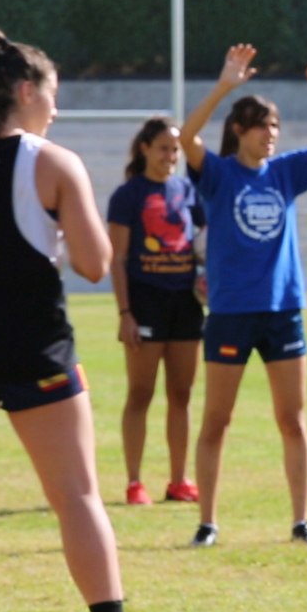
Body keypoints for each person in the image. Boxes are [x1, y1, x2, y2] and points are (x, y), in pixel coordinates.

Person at [0, 28, 126, 612]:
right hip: (36, 352)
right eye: (52, 94)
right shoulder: (55, 163)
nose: (56, 108)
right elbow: (95, 265)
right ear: (24, 90)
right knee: (77, 498)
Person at [180, 44, 307, 548]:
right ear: (240, 130)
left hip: (282, 312)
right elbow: (186, 137)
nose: (271, 134)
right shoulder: (218, 175)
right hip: (231, 313)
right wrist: (223, 87)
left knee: (292, 420)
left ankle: (302, 521)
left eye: (275, 127)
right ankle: (207, 522)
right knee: (217, 420)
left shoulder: (286, 172)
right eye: (262, 126)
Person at [108, 117, 204, 506]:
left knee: (181, 394)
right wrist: (125, 312)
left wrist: (205, 277)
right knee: (141, 393)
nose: (171, 156)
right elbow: (117, 258)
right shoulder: (128, 195)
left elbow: (202, 244)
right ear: (145, 149)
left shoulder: (187, 190)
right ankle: (134, 483)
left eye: (176, 149)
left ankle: (179, 480)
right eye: (164, 147)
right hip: (145, 302)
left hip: (184, 304)